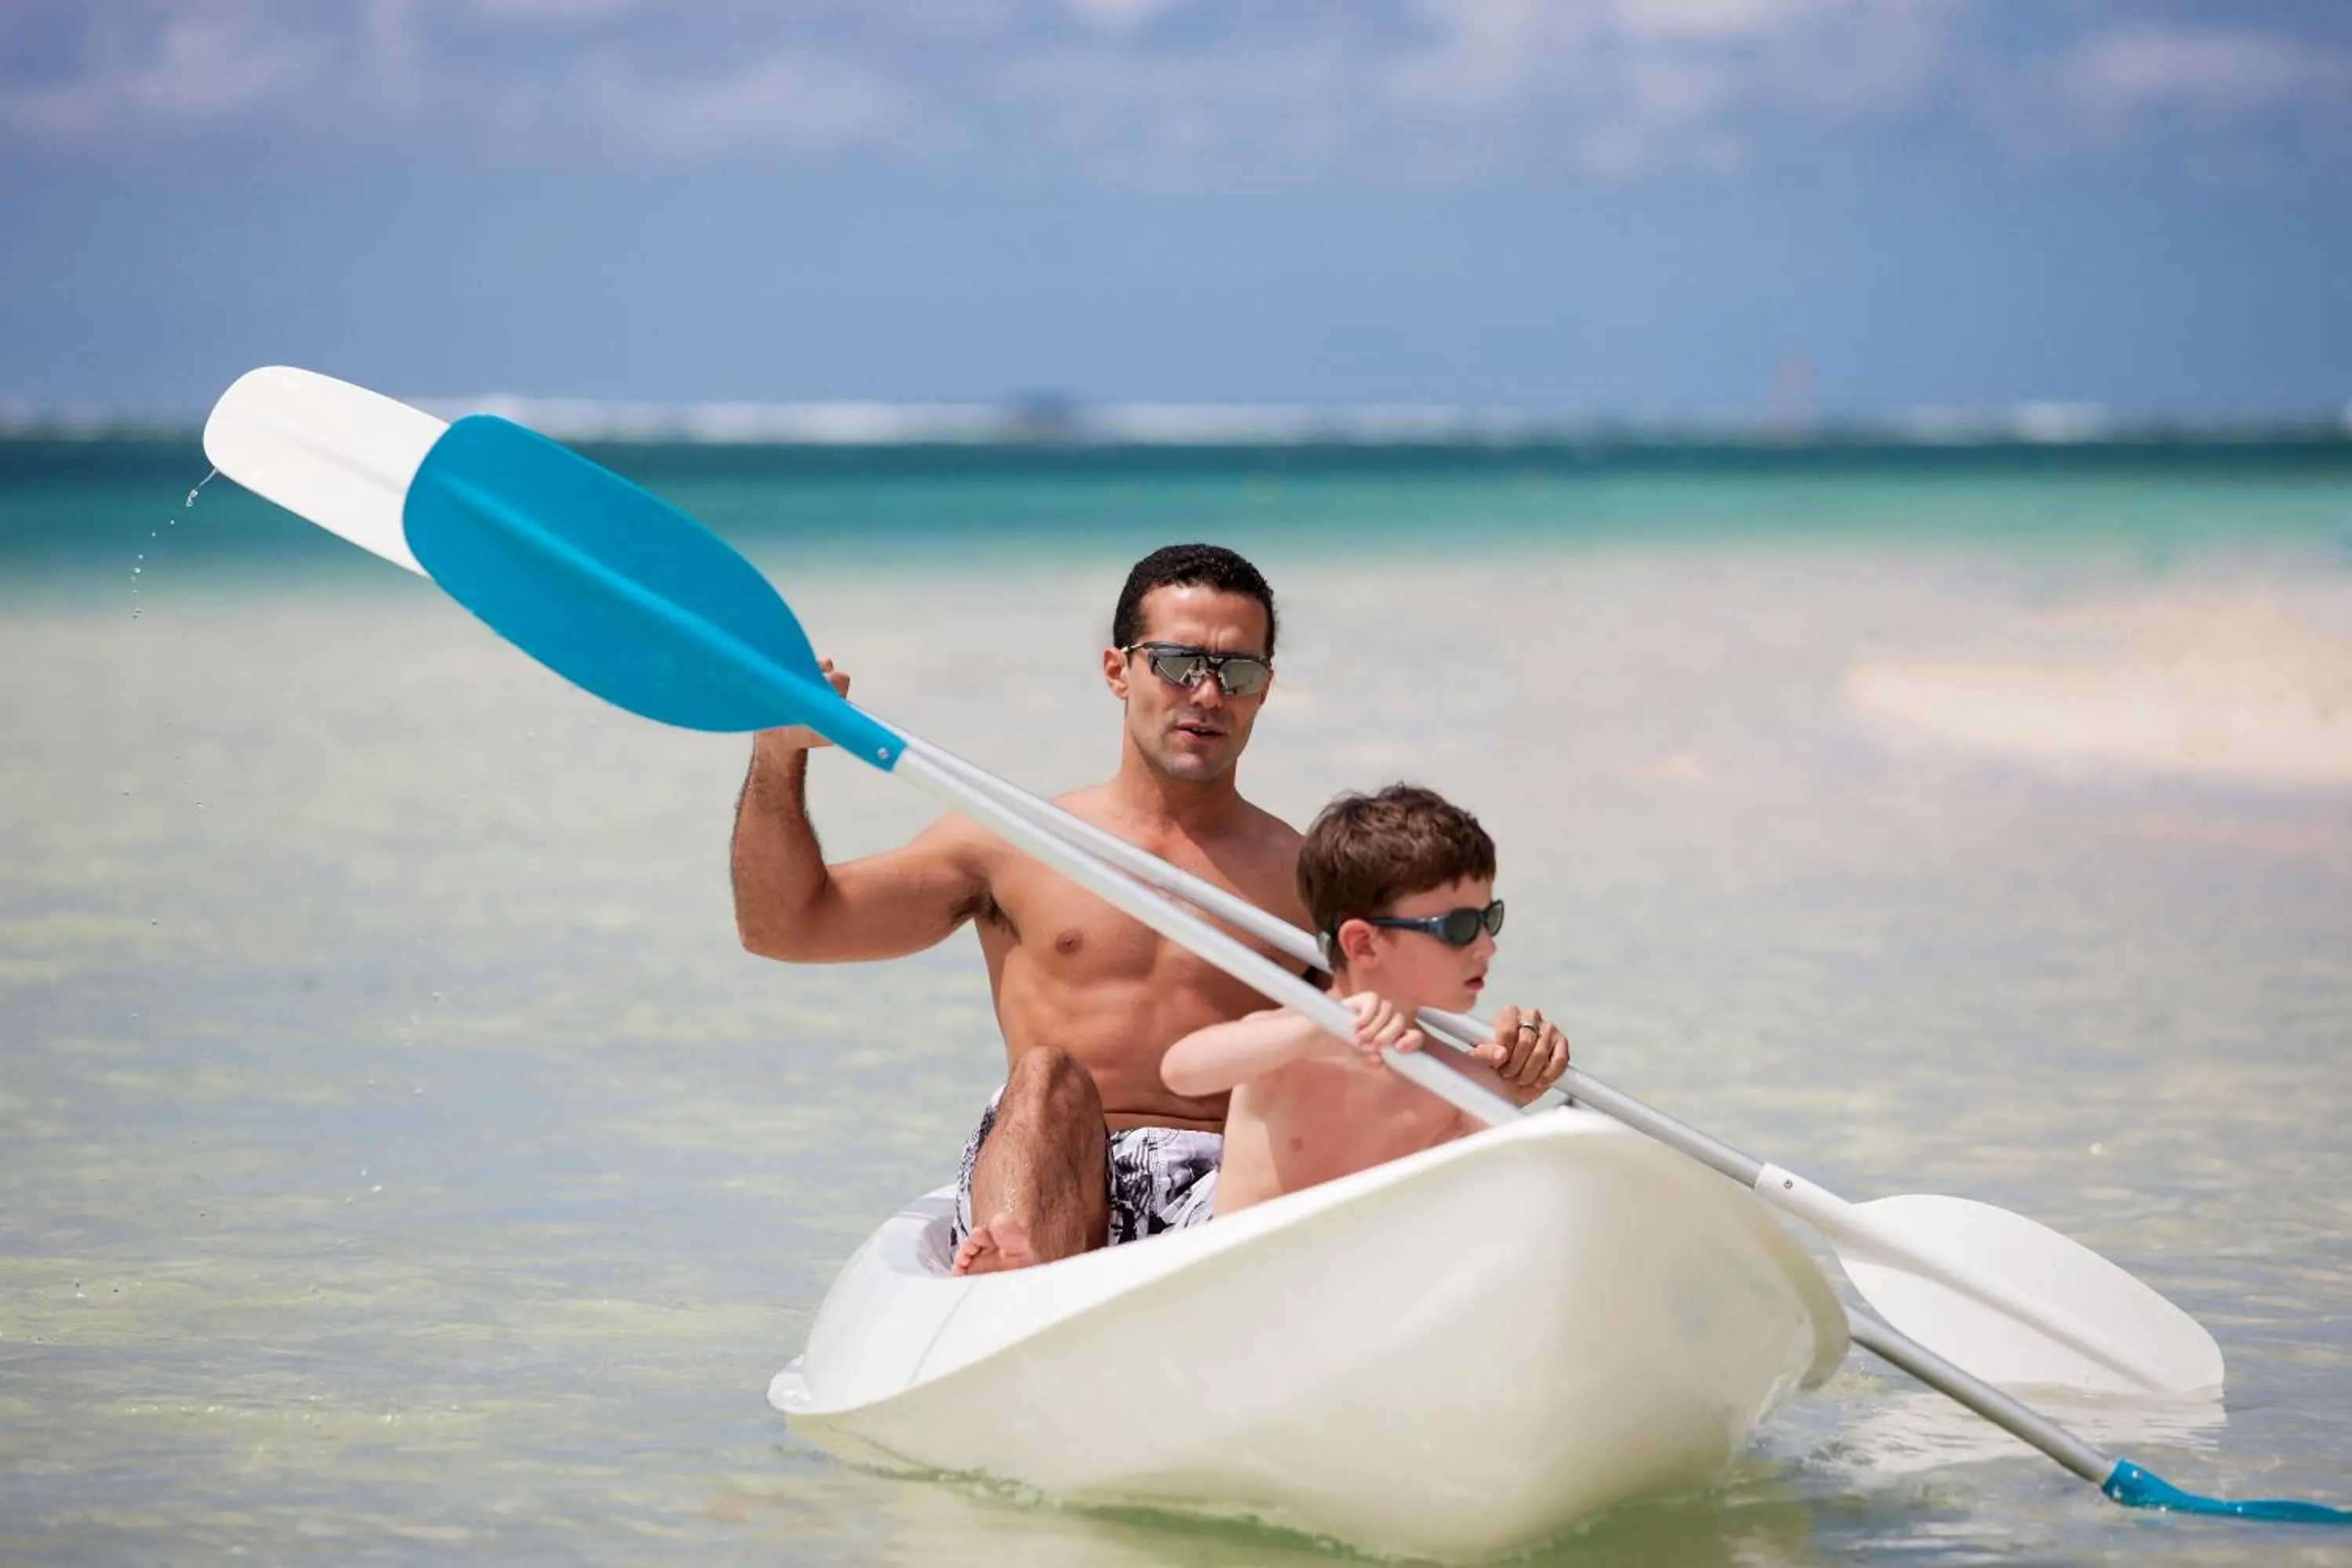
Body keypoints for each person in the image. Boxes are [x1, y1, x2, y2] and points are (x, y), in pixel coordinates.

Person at [731, 545, 1568, 1275]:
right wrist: (778, 756)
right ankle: (1012, 1290)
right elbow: (785, 926)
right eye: (1175, 662)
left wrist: (1508, 1060)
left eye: (1237, 671)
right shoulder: (1015, 839)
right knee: (1050, 1072)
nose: (1206, 692)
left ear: (1264, 689)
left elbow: (1388, 1024)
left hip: (1234, 1192)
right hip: (1060, 1169)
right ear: (1116, 670)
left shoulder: (1311, 876)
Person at [1160, 784, 1569, 1218]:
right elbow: (1182, 1072)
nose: (1487, 947)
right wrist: (1313, 1031)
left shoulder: (1460, 1082)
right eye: (1460, 927)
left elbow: (1522, 1195)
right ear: (1364, 945)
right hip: (1242, 1275)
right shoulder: (1287, 1045)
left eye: (1490, 919)